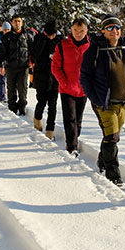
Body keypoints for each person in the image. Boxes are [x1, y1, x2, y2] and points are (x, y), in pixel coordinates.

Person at [80, 15, 125, 189]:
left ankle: (102, 162)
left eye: (118, 27)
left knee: (112, 136)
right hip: (104, 102)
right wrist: (95, 98)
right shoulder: (95, 50)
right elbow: (85, 77)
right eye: (110, 28)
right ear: (103, 31)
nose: (115, 31)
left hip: (124, 103)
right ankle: (114, 176)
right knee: (111, 137)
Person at [52, 17, 90, 157]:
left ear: (86, 31)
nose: (78, 33)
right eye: (75, 30)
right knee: (70, 118)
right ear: (71, 30)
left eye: (81, 31)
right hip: (67, 89)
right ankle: (71, 146)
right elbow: (55, 66)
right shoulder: (62, 45)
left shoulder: (90, 47)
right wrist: (64, 82)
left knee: (78, 119)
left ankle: (74, 138)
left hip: (83, 89)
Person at [0, 15, 35, 116]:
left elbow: (33, 51)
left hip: (24, 67)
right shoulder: (7, 37)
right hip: (11, 66)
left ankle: (22, 108)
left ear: (22, 23)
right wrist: (1, 65)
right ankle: (12, 109)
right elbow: (1, 52)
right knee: (11, 89)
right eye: (15, 21)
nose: (17, 23)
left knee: (23, 89)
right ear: (11, 23)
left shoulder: (27, 36)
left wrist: (33, 62)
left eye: (19, 21)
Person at [30, 21, 60, 139]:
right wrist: (44, 40)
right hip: (41, 75)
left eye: (53, 34)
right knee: (41, 102)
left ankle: (50, 130)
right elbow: (35, 54)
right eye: (49, 34)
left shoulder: (59, 40)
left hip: (55, 77)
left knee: (53, 106)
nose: (51, 36)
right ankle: (37, 119)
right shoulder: (39, 38)